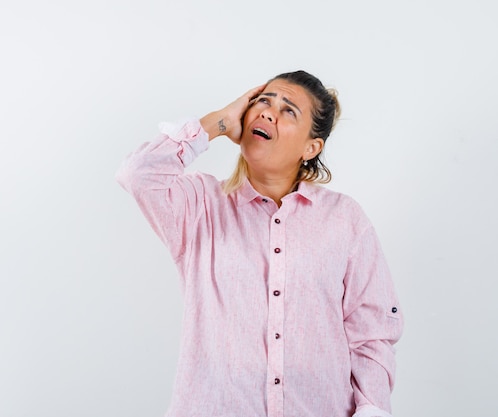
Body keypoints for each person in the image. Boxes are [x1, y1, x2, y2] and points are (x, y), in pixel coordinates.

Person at [116, 70, 403, 417]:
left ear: (311, 148)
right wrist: (217, 123)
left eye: (288, 111)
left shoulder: (345, 219)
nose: (268, 112)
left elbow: (372, 333)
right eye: (263, 102)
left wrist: (372, 409)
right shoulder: (201, 204)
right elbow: (138, 175)